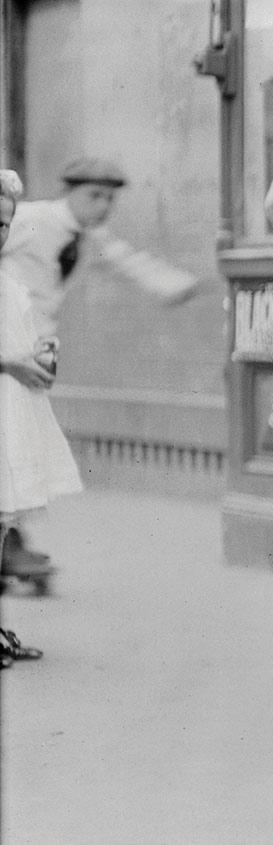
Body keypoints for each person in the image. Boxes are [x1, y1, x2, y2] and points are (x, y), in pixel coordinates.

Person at [0, 168, 79, 666]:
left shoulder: (10, 286)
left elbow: (21, 341)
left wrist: (39, 355)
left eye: (4, 224)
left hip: (9, 413)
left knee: (2, 523)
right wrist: (10, 362)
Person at [0, 156, 199, 340]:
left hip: (37, 342)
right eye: (94, 195)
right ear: (68, 192)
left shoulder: (93, 237)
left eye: (110, 198)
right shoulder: (28, 219)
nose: (104, 206)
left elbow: (130, 262)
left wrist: (177, 285)